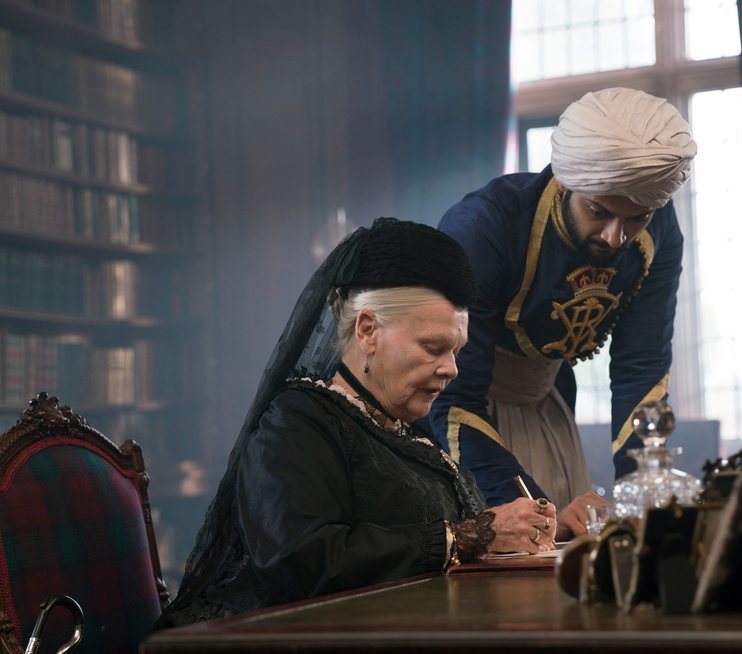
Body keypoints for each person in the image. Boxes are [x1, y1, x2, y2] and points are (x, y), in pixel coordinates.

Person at [157, 218, 558, 628]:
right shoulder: (295, 425)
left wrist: (512, 532)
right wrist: (470, 535)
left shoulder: (408, 429)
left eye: (456, 351)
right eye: (434, 347)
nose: (451, 369)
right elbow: (300, 562)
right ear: (368, 330)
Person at [427, 88, 697, 540]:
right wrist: (534, 507)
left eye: (637, 219)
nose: (615, 237)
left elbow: (642, 369)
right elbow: (453, 394)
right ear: (565, 180)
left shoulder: (660, 235)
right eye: (599, 211)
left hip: (549, 411)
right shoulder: (484, 227)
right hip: (461, 419)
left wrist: (640, 499)